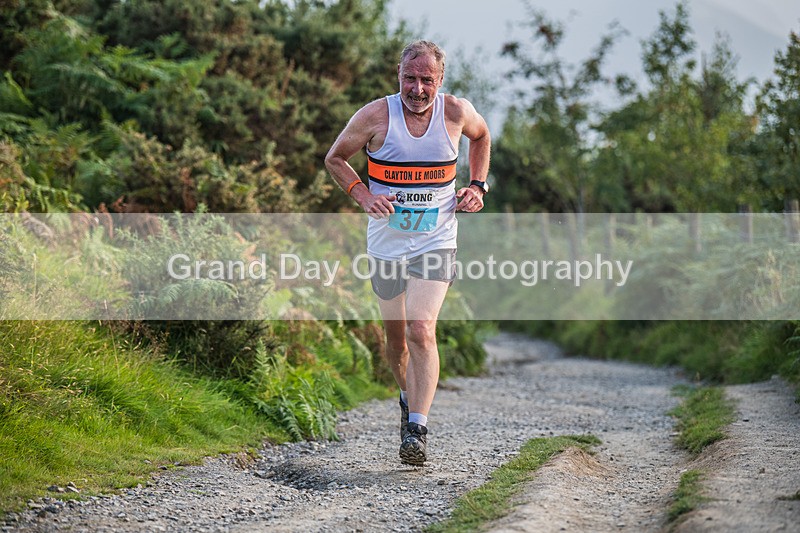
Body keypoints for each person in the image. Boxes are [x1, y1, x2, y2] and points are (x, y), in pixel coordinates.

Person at [325, 40, 491, 466]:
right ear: (398, 77)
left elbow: (483, 135)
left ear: (440, 81)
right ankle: (406, 395)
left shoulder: (455, 112)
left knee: (421, 328)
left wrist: (476, 185)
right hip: (387, 243)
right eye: (409, 79)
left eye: (426, 80)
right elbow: (335, 159)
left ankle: (416, 427)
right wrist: (363, 195)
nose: (417, 89)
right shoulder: (375, 116)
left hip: (437, 238)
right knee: (395, 341)